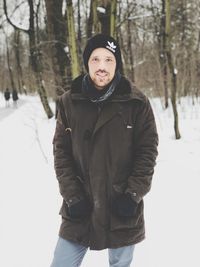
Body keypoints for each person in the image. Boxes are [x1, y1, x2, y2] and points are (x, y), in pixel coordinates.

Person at [51, 34, 158, 267]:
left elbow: (147, 152)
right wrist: (72, 195)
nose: (102, 66)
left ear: (117, 63)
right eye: (95, 59)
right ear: (86, 62)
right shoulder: (68, 102)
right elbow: (61, 154)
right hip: (80, 206)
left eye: (109, 60)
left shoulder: (136, 102)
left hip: (122, 205)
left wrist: (132, 194)